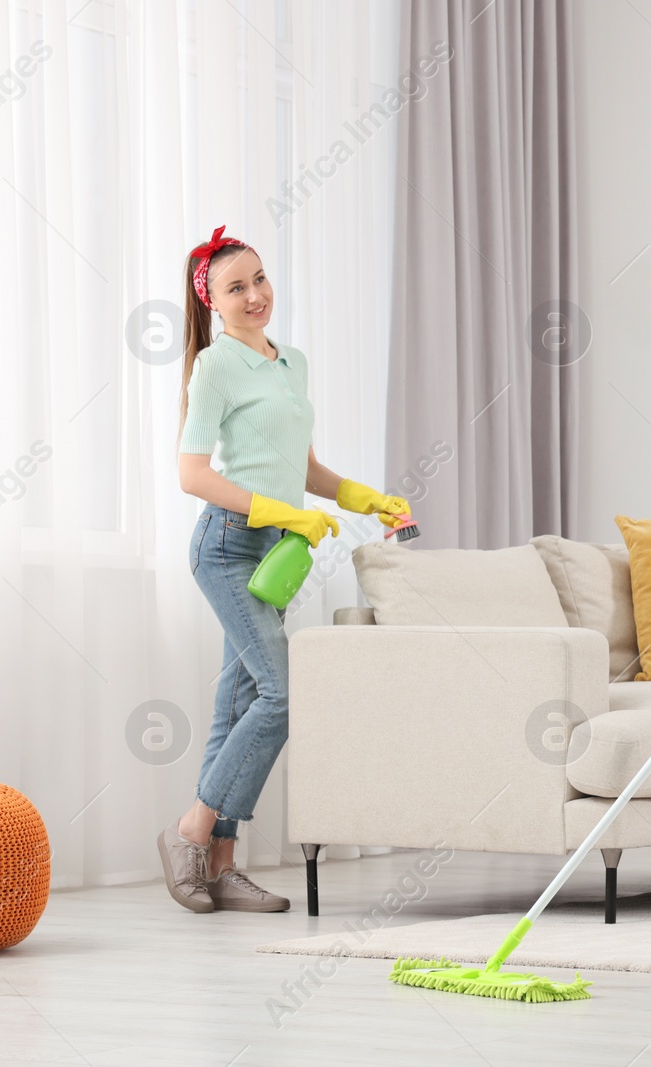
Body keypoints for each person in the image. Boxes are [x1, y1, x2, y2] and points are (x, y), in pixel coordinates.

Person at [160, 226, 411, 913]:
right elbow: (191, 474)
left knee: (236, 705)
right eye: (236, 287)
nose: (255, 295)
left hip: (275, 551)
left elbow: (302, 466)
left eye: (260, 279)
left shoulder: (290, 362)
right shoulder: (213, 367)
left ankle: (220, 866)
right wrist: (285, 511)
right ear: (211, 300)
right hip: (226, 546)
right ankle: (192, 827)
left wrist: (361, 496)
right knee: (284, 692)